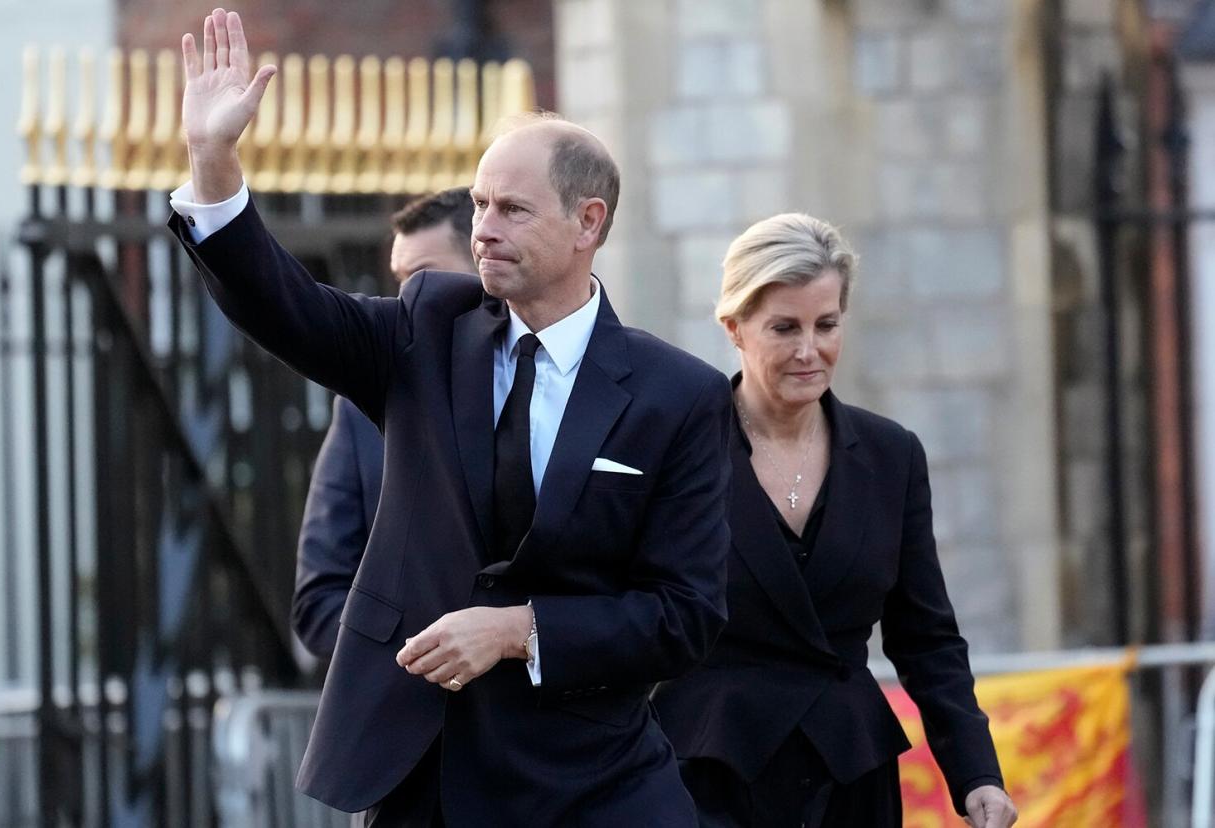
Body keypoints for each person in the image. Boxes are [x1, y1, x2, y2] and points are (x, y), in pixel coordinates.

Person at [169, 10, 732, 826]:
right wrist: (213, 161)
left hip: (592, 783)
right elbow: (285, 306)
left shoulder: (677, 395)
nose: (482, 231)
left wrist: (519, 630)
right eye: (477, 204)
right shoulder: (426, 325)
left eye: (511, 209)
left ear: (589, 224)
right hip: (421, 774)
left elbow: (685, 616)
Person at [651, 213, 1018, 828]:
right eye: (784, 328)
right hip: (710, 773)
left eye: (826, 325)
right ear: (734, 328)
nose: (808, 351)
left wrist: (977, 774)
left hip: (850, 776)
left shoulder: (890, 455)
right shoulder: (678, 447)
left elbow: (926, 638)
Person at [292, 188, 477, 660]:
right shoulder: (360, 412)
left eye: (424, 277)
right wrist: (423, 657)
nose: (408, 298)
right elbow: (319, 598)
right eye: (400, 280)